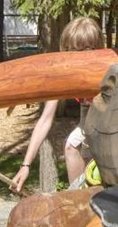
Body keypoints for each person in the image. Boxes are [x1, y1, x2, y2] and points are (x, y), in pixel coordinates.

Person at [10, 17, 102, 194]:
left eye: (87, 49)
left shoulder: (104, 68)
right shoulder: (63, 74)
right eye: (73, 50)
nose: (79, 56)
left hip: (111, 119)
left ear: (98, 48)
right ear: (65, 49)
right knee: (71, 146)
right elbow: (45, 120)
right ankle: (77, 196)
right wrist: (26, 165)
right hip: (89, 117)